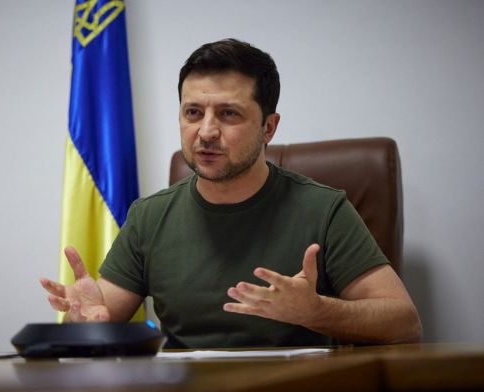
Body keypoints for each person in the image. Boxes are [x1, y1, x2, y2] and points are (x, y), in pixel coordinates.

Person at [41, 38, 422, 348]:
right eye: (193, 113)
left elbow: (404, 322)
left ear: (269, 128)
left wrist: (315, 311)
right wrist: (85, 322)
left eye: (228, 114)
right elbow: (102, 317)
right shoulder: (149, 216)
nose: (206, 132)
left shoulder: (323, 209)